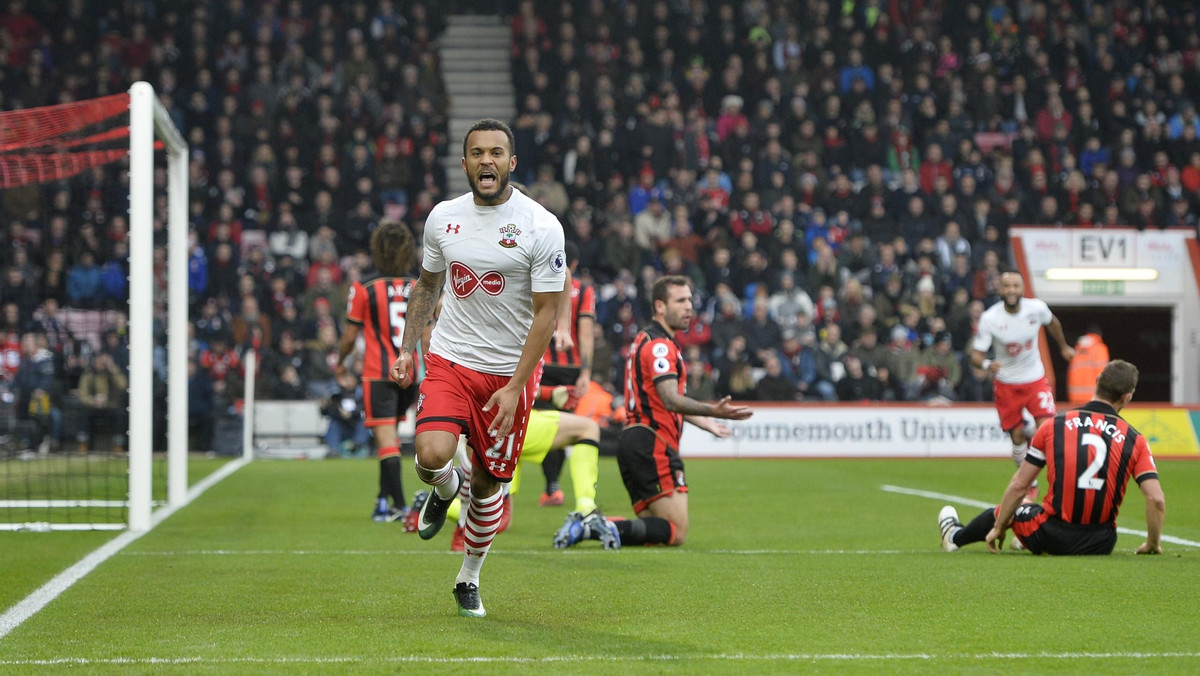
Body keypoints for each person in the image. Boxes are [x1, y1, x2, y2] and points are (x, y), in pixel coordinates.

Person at [389, 118, 566, 618]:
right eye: (476, 153)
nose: (485, 161)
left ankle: (469, 575)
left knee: (489, 484)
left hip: (508, 374)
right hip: (451, 358)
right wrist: (408, 348)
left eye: (495, 153)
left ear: (511, 163)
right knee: (429, 454)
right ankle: (445, 488)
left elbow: (548, 313)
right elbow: (427, 285)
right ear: (464, 163)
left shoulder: (541, 226)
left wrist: (515, 386)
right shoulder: (442, 218)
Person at [559, 276, 752, 549]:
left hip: (637, 440)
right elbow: (670, 399)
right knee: (677, 531)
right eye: (681, 301)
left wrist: (704, 422)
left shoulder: (644, 339)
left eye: (690, 300)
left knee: (656, 531)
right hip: (652, 442)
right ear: (660, 306)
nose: (689, 307)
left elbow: (666, 397)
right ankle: (594, 526)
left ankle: (591, 527)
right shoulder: (660, 346)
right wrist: (713, 408)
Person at [938, 360, 1165, 556]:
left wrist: (999, 526)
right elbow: (1156, 499)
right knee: (1028, 509)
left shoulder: (1054, 426)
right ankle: (1023, 539)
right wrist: (1153, 543)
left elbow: (1020, 485)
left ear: (1097, 382)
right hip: (1101, 542)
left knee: (1009, 509)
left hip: (1052, 534)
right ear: (1127, 397)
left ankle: (954, 537)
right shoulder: (1135, 439)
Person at [338, 221, 419, 522]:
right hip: (411, 374)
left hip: (379, 373)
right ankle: (382, 501)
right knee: (392, 439)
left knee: (385, 441)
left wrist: (340, 362)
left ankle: (400, 506)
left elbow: (349, 337)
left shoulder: (364, 288)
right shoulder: (418, 286)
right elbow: (430, 333)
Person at [970, 271, 1074, 498]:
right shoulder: (990, 318)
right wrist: (988, 364)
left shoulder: (1036, 309)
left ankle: (1058, 485)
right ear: (1000, 289)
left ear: (1022, 288)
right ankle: (1030, 482)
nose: (1011, 290)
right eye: (1006, 286)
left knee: (1047, 430)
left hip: (1035, 379)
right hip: (1007, 384)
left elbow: (1053, 322)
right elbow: (975, 355)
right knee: (1016, 436)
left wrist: (1063, 346)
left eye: (1015, 286)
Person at [535, 241, 596, 507]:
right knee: (561, 427)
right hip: (570, 368)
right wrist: (586, 371)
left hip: (541, 364)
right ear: (574, 265)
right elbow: (585, 332)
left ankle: (549, 487)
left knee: (538, 425)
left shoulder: (539, 283)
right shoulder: (583, 291)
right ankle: (554, 487)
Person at [1066, 325, 1109, 405]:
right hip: (1093, 399)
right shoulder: (1100, 348)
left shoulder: (1078, 349)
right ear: (1099, 335)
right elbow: (1103, 374)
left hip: (1075, 399)